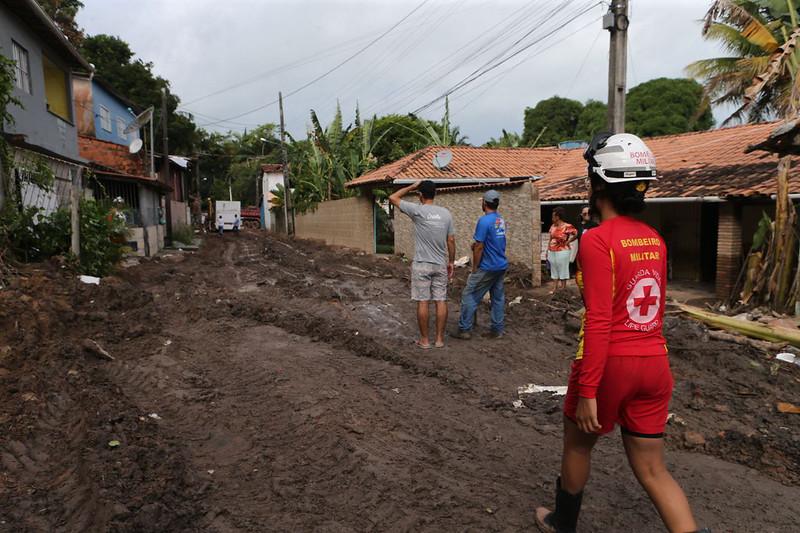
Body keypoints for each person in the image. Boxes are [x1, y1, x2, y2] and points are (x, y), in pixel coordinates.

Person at [535, 133, 709, 533]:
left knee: (579, 444)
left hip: (609, 365)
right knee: (652, 468)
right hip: (655, 364)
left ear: (597, 184)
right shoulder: (655, 239)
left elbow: (598, 320)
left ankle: (563, 521)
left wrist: (590, 390)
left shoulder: (597, 240)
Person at [389, 179, 455, 349]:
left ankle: (425, 340)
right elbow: (451, 240)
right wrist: (451, 262)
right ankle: (439, 340)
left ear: (420, 194)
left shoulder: (417, 210)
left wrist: (411, 185)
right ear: (435, 194)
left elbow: (393, 197)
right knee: (440, 300)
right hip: (440, 264)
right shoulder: (446, 214)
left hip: (422, 265)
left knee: (423, 302)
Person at [453, 190, 507, 340]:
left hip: (487, 266)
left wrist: (475, 266)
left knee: (469, 295)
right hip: (500, 265)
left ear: (484, 202)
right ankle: (496, 329)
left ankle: (464, 329)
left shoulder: (484, 221)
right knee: (497, 298)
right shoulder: (500, 220)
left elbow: (480, 247)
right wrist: (476, 245)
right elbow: (492, 242)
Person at [545, 206, 576, 294]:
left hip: (563, 250)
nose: (552, 218)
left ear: (557, 217)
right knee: (554, 268)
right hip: (552, 250)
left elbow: (576, 233)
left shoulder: (567, 226)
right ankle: (554, 288)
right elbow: (550, 238)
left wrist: (569, 241)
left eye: (553, 216)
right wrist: (547, 250)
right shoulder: (552, 227)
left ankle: (563, 289)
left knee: (562, 268)